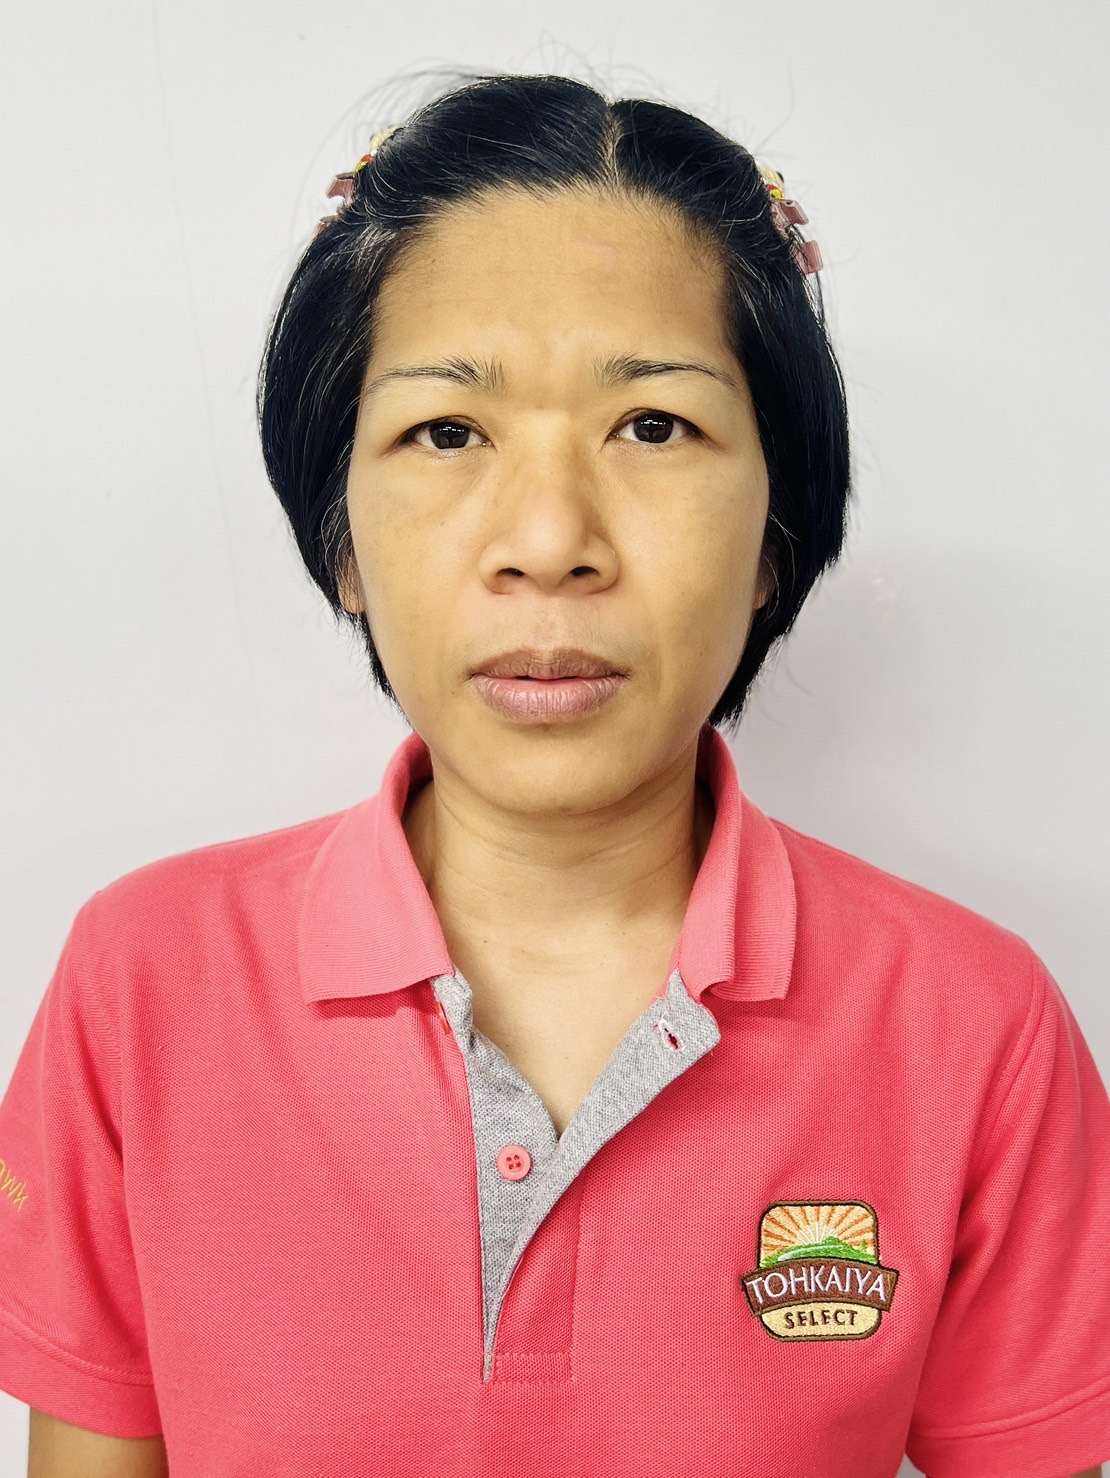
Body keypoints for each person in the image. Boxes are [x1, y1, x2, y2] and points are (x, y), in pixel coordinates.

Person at [0, 70, 1106, 1478]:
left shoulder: (973, 1028)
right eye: (446, 432)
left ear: (775, 536)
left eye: (652, 425)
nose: (547, 541)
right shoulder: (143, 987)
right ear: (341, 540)